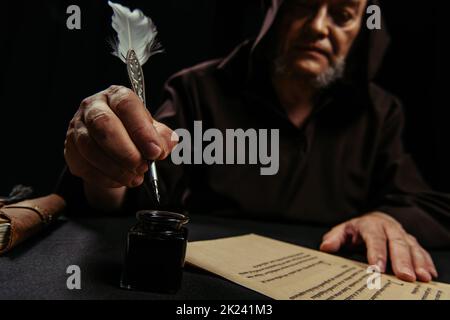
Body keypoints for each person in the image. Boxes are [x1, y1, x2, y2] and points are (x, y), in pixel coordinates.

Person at [59, 0, 450, 283]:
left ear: (360, 32)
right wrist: (104, 167)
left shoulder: (380, 113)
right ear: (272, 11)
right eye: (302, 6)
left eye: (343, 15)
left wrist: (384, 218)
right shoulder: (198, 89)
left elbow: (423, 202)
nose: (318, 26)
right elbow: (136, 183)